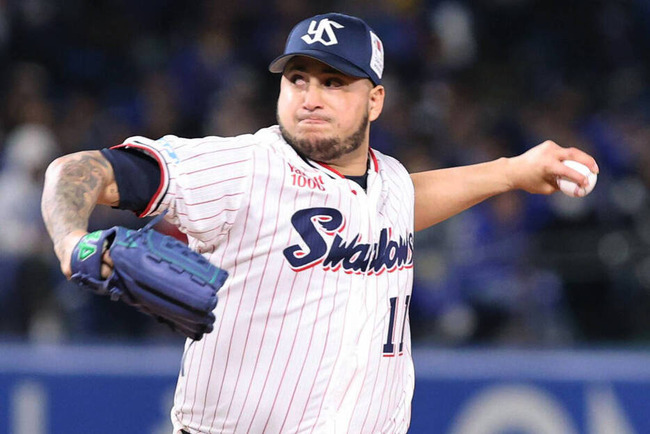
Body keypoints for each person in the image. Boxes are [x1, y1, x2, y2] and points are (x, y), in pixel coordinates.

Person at [41, 12, 598, 434]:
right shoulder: (246, 166)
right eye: (298, 79)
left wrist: (512, 171)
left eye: (333, 82)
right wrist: (71, 243)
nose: (310, 97)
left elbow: (406, 201)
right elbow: (78, 169)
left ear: (375, 100)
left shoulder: (388, 182)